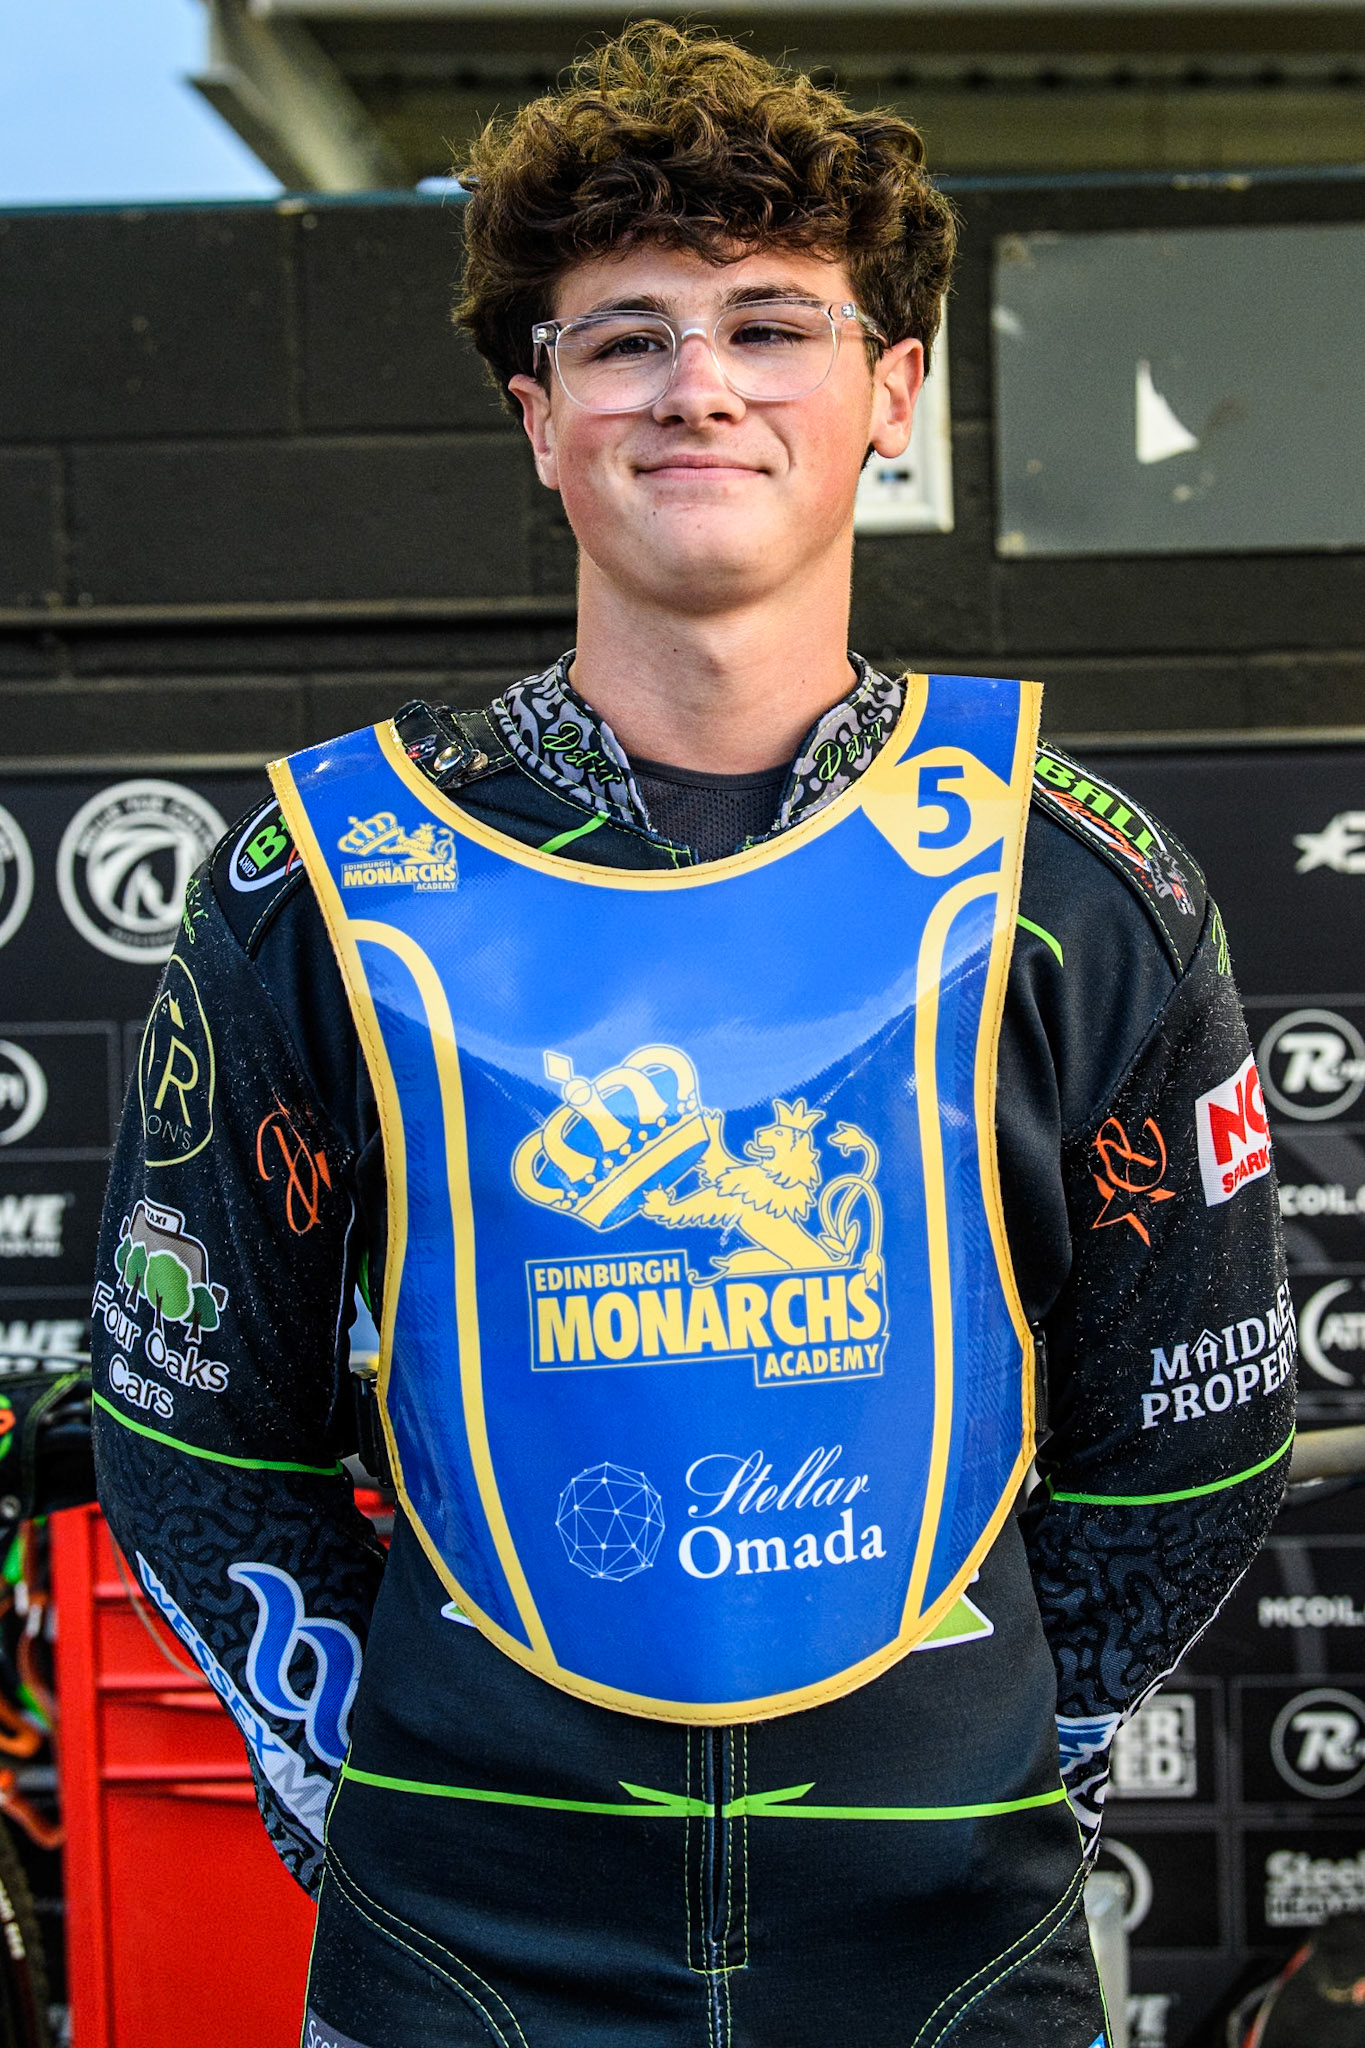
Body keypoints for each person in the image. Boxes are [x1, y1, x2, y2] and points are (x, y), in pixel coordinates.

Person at [92, 23, 1295, 2046]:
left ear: (887, 394)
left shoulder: (1070, 877)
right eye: (622, 335)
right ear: (536, 415)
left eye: (769, 324)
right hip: (464, 1941)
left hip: (947, 1939)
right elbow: (195, 1428)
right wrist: (368, 1796)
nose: (699, 385)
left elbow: (1187, 1429)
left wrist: (1005, 1757)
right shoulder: (311, 881)